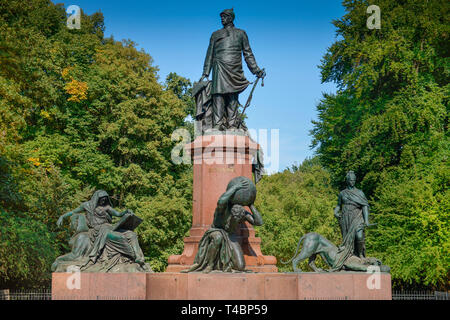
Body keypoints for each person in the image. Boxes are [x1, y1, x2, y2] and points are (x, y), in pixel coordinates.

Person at [199, 8, 266, 130]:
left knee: (232, 96)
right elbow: (210, 54)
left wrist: (256, 70)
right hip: (219, 66)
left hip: (234, 68)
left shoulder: (241, 33)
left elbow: (248, 54)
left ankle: (232, 125)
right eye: (221, 17)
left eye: (224, 17)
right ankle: (218, 124)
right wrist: (206, 72)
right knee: (217, 95)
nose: (222, 19)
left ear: (231, 18)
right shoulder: (215, 34)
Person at [56, 190, 150, 272]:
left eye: (105, 198)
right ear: (96, 198)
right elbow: (74, 211)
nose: (104, 200)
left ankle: (138, 257)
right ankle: (132, 255)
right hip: (98, 231)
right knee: (118, 237)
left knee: (131, 234)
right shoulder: (87, 205)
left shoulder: (107, 207)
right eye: (102, 198)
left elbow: (118, 213)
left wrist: (126, 212)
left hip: (109, 227)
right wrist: (62, 216)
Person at [183, 177, 263, 273]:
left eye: (238, 218)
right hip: (216, 230)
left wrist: (251, 205)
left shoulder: (241, 212)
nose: (237, 219)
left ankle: (221, 264)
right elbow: (221, 201)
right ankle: (210, 265)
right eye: (235, 217)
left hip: (230, 236)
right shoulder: (223, 208)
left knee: (240, 266)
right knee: (218, 237)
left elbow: (259, 222)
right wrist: (235, 188)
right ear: (232, 213)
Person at [333, 171, 370, 259]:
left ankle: (361, 254)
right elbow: (338, 205)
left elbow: (364, 206)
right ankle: (349, 255)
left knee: (359, 236)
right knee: (348, 239)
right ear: (347, 181)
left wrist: (366, 220)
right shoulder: (342, 193)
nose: (352, 182)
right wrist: (335, 212)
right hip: (346, 218)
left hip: (357, 217)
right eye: (350, 180)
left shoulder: (360, 193)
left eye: (354, 180)